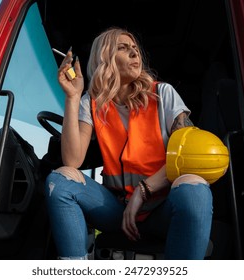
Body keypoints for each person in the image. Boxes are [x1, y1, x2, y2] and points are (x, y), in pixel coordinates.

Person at [44, 27, 213, 260]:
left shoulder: (163, 94)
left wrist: (143, 192)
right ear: (104, 59)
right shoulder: (90, 103)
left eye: (135, 49)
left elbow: (191, 156)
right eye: (123, 49)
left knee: (194, 185)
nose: (135, 53)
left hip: (162, 208)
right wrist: (72, 97)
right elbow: (73, 160)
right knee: (60, 181)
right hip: (117, 211)